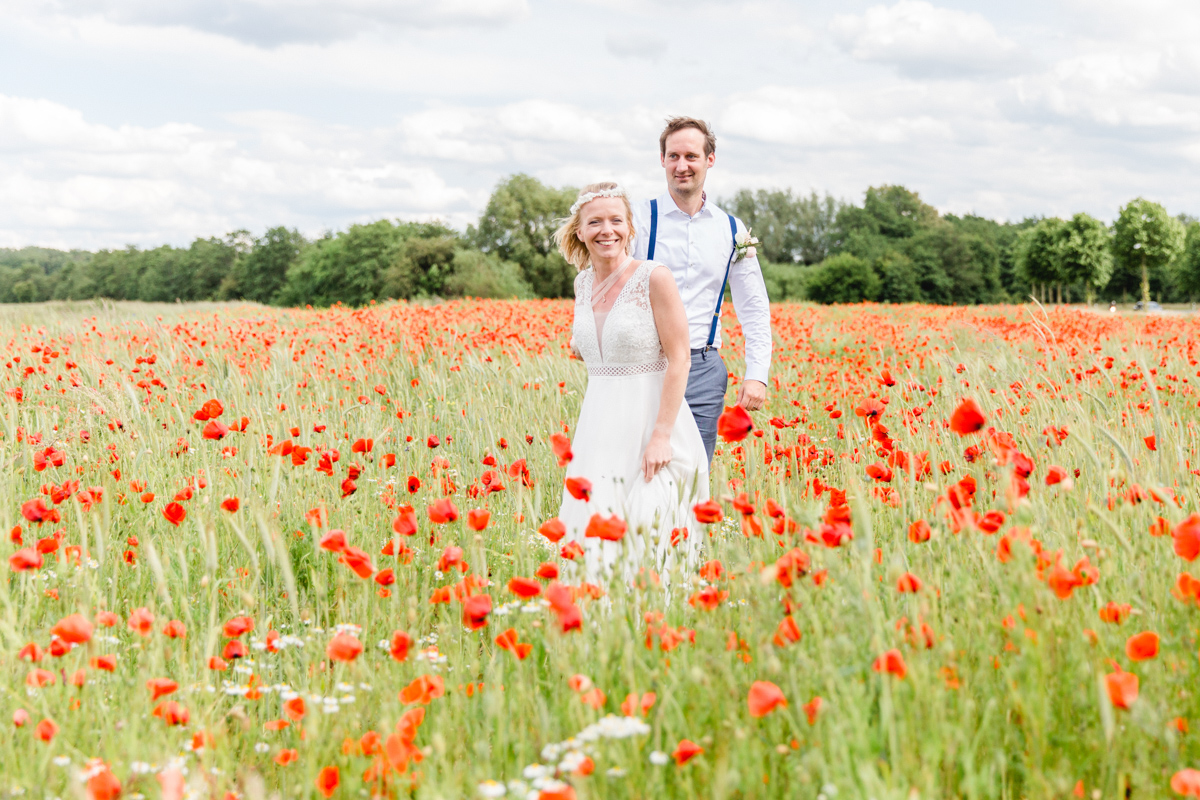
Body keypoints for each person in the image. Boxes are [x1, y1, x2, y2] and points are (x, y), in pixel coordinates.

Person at [553, 182, 709, 584]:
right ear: (580, 231)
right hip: (599, 427)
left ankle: (657, 629)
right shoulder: (582, 284)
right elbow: (594, 344)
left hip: (651, 425)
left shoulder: (654, 277)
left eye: (616, 220)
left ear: (630, 227)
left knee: (649, 528)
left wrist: (660, 436)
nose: (608, 230)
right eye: (596, 222)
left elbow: (680, 358)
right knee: (594, 530)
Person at [632, 117, 772, 463]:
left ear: (710, 159)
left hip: (702, 368)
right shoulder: (638, 220)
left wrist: (757, 375)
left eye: (691, 156)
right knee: (640, 469)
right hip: (647, 364)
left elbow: (753, 307)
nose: (682, 166)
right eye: (673, 156)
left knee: (693, 476)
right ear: (661, 159)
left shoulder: (731, 229)